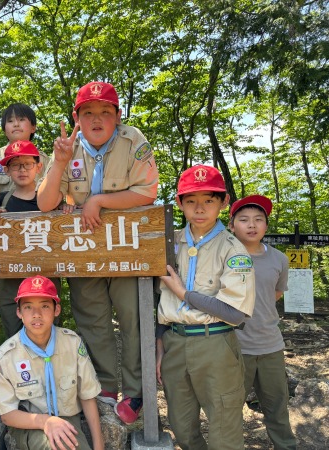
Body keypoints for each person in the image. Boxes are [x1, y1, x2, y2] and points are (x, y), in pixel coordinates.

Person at [37, 81, 159, 423]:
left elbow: (148, 192)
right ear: (76, 118)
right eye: (87, 113)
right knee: (93, 321)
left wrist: (98, 200)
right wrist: (60, 162)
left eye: (106, 112)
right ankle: (105, 385)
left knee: (134, 318)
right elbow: (45, 202)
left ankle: (136, 391)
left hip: (126, 248)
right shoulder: (68, 147)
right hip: (83, 250)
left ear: (117, 116)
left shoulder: (133, 140)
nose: (96, 119)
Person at [156, 165, 255, 449]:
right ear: (179, 203)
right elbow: (158, 297)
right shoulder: (168, 242)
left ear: (223, 203)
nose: (200, 208)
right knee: (181, 424)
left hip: (215, 344)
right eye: (191, 201)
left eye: (209, 200)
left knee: (224, 428)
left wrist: (184, 293)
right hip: (174, 342)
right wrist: (160, 344)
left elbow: (234, 313)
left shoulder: (233, 249)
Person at [0, 275, 104, 450]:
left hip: (68, 420)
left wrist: (99, 446)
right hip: (28, 425)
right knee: (55, 446)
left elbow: (87, 396)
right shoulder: (6, 356)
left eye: (44, 306)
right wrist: (46, 421)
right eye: (28, 307)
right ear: (19, 312)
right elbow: (7, 415)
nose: (36, 314)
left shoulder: (72, 343)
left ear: (56, 310)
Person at [229, 195, 297, 450]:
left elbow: (276, 294)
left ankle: (285, 446)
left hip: (270, 345)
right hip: (235, 345)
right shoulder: (224, 255)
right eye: (244, 219)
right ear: (232, 225)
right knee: (231, 408)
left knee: (277, 405)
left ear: (266, 226)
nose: (252, 225)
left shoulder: (279, 258)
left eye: (259, 220)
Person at [0, 140, 61, 338]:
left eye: (27, 164)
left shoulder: (52, 197)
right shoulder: (3, 198)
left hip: (46, 277)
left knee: (48, 335)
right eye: (15, 165)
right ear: (7, 170)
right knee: (14, 334)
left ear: (39, 167)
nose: (22, 170)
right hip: (10, 279)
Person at [0, 103, 51, 207]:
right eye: (10, 121)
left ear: (33, 128)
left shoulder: (43, 159)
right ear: (4, 130)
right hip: (1, 218)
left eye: (21, 119)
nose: (16, 124)